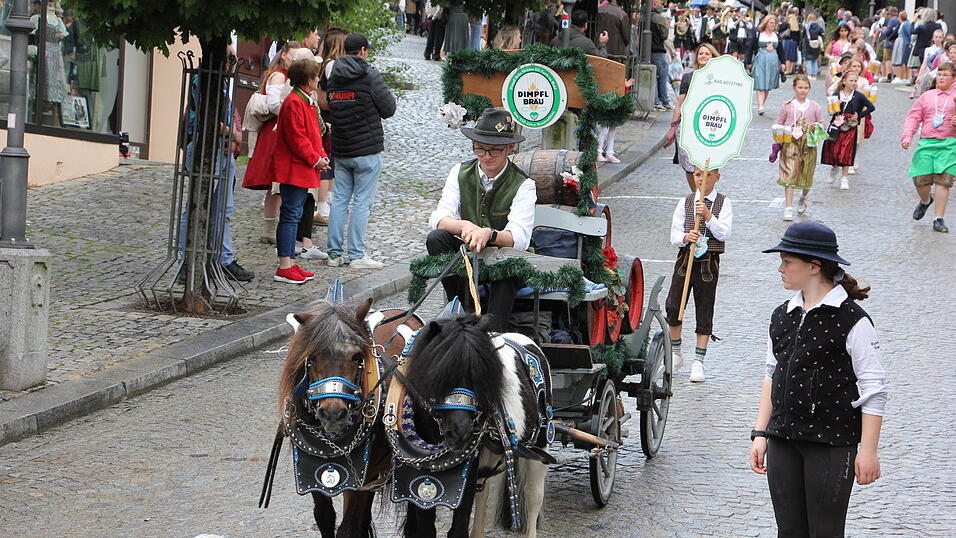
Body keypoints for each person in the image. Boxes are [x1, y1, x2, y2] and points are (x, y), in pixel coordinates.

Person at [751, 222, 887, 538]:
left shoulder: (852, 320)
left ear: (814, 266)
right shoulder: (782, 314)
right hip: (783, 439)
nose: (780, 268)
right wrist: (760, 432)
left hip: (831, 443)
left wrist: (867, 450)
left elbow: (874, 390)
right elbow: (771, 374)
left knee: (825, 533)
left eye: (787, 262)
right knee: (789, 532)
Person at [427, 108, 537, 332]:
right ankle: (461, 313)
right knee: (437, 238)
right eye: (480, 149)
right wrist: (464, 226)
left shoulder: (523, 184)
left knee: (508, 263)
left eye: (494, 151)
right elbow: (438, 217)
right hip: (469, 255)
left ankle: (494, 328)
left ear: (510, 148)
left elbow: (520, 237)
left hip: (505, 259)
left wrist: (489, 234)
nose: (486, 156)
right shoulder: (460, 172)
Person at [326, 34, 397, 269]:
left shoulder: (333, 76)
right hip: (367, 150)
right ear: (363, 51)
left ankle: (334, 254)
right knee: (361, 203)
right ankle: (356, 256)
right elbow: (389, 108)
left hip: (342, 148)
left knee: (339, 201)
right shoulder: (369, 75)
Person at [664, 166, 733, 382]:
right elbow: (674, 233)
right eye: (697, 174)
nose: (701, 179)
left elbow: (724, 233)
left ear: (717, 177)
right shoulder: (685, 202)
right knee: (674, 305)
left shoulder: (723, 202)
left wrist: (709, 216)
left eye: (707, 175)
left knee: (704, 306)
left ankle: (698, 361)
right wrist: (686, 237)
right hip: (685, 259)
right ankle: (676, 354)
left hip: (708, 263)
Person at [272, 59, 329, 284]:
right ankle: (284, 265)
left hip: (302, 166)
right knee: (290, 214)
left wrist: (320, 156)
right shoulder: (295, 102)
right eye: (316, 76)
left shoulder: (306, 100)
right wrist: (316, 159)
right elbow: (297, 138)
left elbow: (314, 134)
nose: (319, 79)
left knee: (294, 214)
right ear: (308, 79)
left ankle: (289, 264)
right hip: (294, 167)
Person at [242, 41, 301, 245]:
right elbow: (274, 105)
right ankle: (269, 229)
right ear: (284, 55)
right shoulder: (278, 76)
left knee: (277, 184)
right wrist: (294, 109)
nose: (295, 62)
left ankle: (271, 229)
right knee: (275, 183)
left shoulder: (285, 76)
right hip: (275, 132)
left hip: (279, 130)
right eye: (293, 57)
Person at [902, 62, 956, 233]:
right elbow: (913, 117)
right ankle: (926, 201)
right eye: (939, 74)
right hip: (926, 143)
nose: (940, 78)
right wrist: (907, 136)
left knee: (943, 182)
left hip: (949, 144)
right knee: (921, 181)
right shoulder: (927, 96)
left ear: (953, 79)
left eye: (945, 75)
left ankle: (938, 219)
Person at [666, 42, 719, 191]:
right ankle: (696, 193)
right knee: (689, 167)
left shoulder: (719, 79)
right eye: (701, 53)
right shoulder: (688, 77)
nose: (703, 56)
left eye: (707, 54)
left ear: (713, 57)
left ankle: (705, 195)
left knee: (706, 164)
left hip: (709, 126)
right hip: (687, 127)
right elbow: (679, 104)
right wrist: (673, 127)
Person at [775, 75, 823, 221]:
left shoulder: (815, 106)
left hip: (808, 145)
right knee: (789, 173)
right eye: (800, 88)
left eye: (806, 88)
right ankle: (788, 208)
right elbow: (778, 123)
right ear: (794, 88)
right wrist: (784, 131)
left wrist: (814, 126)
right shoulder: (787, 106)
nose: (803, 91)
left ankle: (803, 197)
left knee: (807, 175)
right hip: (790, 144)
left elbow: (821, 123)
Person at [315, 28, 348, 227]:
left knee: (330, 160)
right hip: (329, 116)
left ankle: (324, 202)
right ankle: (322, 205)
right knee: (328, 162)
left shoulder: (327, 63)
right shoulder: (332, 65)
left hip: (329, 115)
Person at [821, 71, 874, 191]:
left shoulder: (858, 96)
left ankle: (844, 178)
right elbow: (831, 111)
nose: (854, 83)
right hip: (837, 125)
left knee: (847, 151)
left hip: (850, 127)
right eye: (851, 80)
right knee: (834, 150)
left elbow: (871, 107)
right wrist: (834, 110)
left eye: (855, 81)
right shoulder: (836, 95)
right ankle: (834, 168)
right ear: (844, 81)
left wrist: (859, 115)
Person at [751, 15, 786, 115]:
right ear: (766, 23)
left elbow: (781, 50)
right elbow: (751, 47)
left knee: (767, 85)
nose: (773, 25)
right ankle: (760, 106)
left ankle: (762, 104)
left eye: (774, 23)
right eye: (771, 22)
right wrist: (748, 61)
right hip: (760, 59)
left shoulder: (777, 35)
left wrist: (783, 63)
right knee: (760, 81)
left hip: (773, 61)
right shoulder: (758, 34)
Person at [648, 0, 674, 111]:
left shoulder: (646, 17)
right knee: (662, 76)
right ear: (654, 4)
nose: (661, 5)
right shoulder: (658, 18)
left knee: (654, 76)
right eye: (659, 3)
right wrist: (666, 25)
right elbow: (664, 35)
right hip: (658, 50)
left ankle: (658, 101)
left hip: (649, 50)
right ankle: (663, 101)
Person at [800, 12, 825, 77]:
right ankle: (814, 74)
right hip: (816, 45)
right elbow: (822, 33)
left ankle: (809, 74)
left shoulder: (806, 26)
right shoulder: (818, 26)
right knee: (814, 60)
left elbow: (802, 36)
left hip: (807, 45)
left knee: (808, 60)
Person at [892, 11, 913, 84]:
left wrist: (909, 43)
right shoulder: (903, 24)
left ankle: (903, 77)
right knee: (902, 60)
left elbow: (909, 34)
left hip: (904, 43)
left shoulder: (905, 24)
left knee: (903, 60)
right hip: (902, 42)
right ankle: (902, 77)